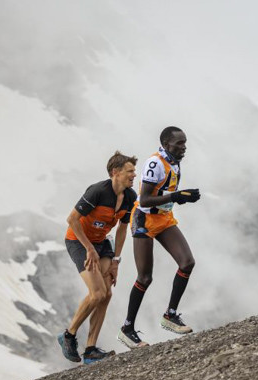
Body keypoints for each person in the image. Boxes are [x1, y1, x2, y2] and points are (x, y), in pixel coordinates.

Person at [118, 126, 201, 349]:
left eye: (185, 143)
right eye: (179, 144)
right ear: (166, 144)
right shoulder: (155, 164)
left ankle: (170, 315)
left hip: (163, 218)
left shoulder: (174, 160)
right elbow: (144, 200)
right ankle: (127, 328)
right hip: (144, 220)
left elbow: (165, 196)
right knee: (145, 277)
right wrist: (175, 196)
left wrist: (180, 198)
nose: (184, 148)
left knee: (187, 262)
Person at [57, 151, 138, 364]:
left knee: (107, 294)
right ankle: (68, 335)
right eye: (130, 171)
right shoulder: (97, 192)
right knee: (97, 293)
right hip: (78, 241)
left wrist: (116, 261)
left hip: (102, 243)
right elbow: (72, 219)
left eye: (134, 172)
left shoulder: (130, 197)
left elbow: (122, 228)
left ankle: (91, 350)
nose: (134, 175)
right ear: (115, 172)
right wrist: (89, 249)